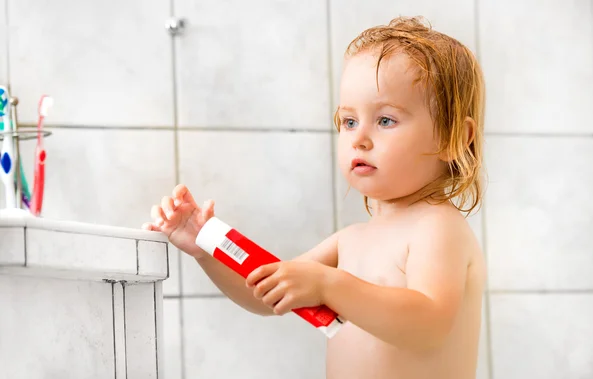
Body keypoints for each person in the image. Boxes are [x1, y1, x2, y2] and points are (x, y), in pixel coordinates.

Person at [143, 15, 486, 379]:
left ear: (453, 138)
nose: (359, 138)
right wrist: (207, 243)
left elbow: (428, 325)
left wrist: (327, 285)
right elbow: (263, 292)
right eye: (349, 122)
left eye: (385, 120)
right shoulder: (351, 240)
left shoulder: (437, 227)